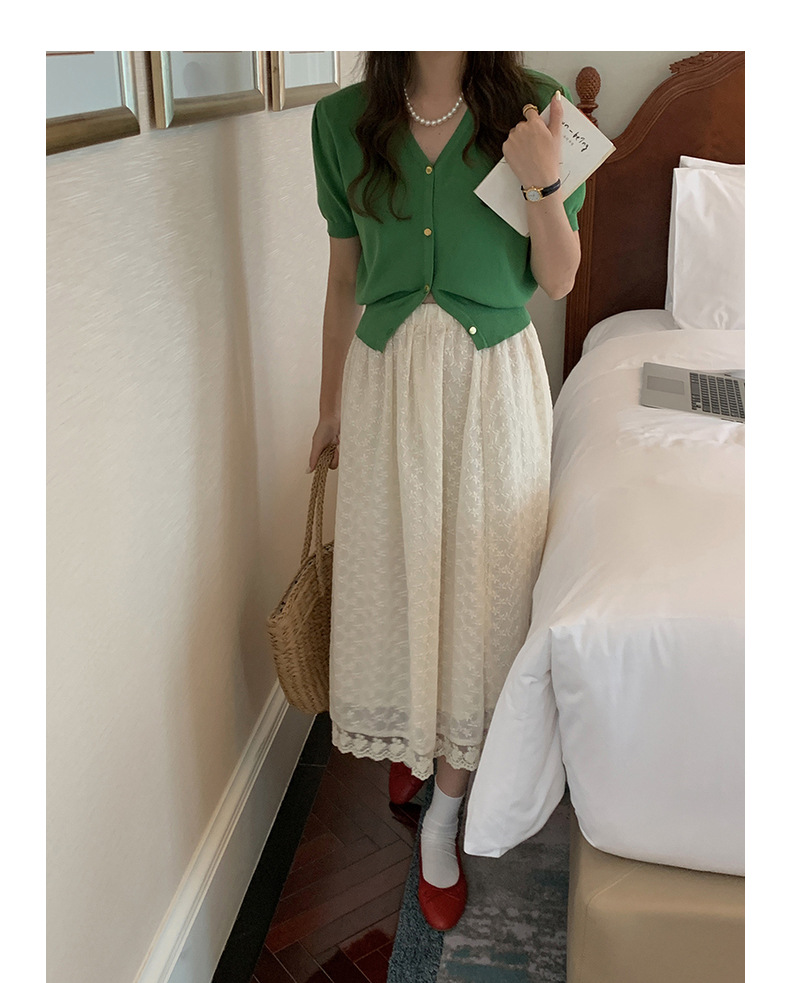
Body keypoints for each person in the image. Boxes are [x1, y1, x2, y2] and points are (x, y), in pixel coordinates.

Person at [307, 52, 584, 930]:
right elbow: (343, 279)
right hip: (387, 387)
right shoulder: (341, 120)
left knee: (482, 601)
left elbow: (560, 278)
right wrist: (328, 408)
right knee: (400, 579)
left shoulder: (541, 107)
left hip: (492, 391)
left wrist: (543, 182)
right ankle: (415, 735)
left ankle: (443, 816)